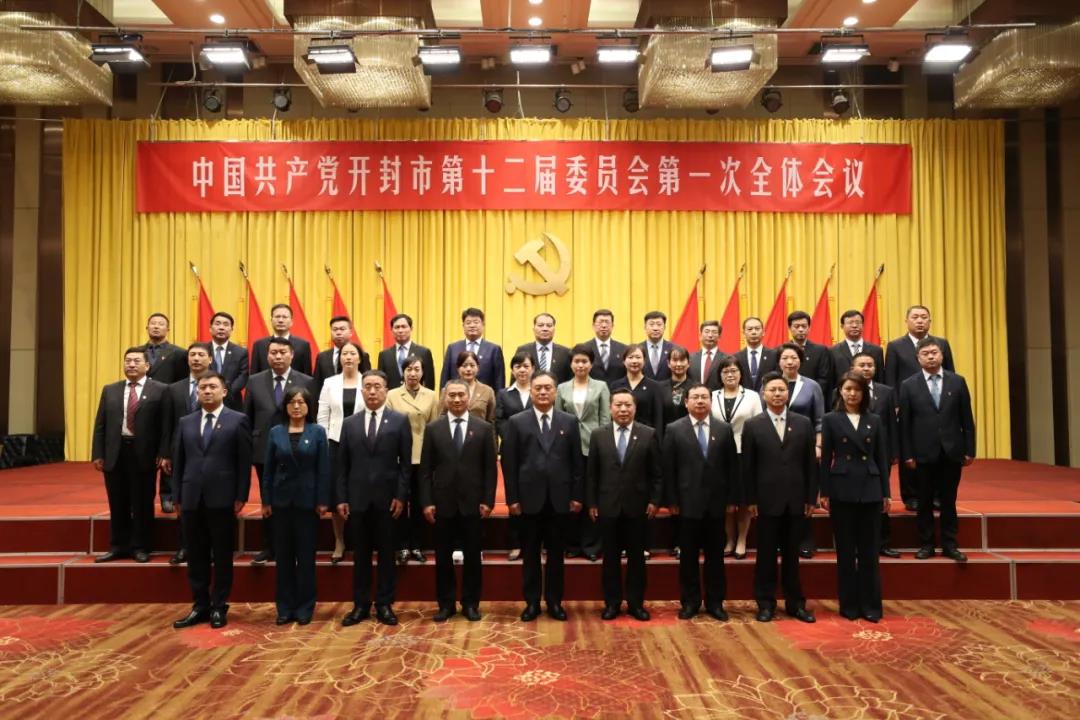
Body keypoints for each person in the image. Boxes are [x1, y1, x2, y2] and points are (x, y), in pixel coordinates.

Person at [171, 371, 253, 630]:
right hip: (191, 497)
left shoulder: (237, 420)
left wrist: (241, 495)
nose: (207, 391)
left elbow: (243, 462)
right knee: (196, 554)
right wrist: (177, 495)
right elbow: (179, 460)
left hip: (223, 497)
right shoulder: (186, 422)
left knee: (222, 554)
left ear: (224, 392)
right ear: (197, 392)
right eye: (203, 387)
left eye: (212, 387)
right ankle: (200, 605)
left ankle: (219, 605)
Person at [501, 371, 584, 622]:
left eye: (548, 388)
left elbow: (577, 463)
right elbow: (509, 463)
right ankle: (532, 602)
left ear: (556, 392)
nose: (543, 392)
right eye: (538, 388)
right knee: (530, 555)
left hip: (560, 499)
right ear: (531, 391)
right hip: (528, 500)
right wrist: (512, 499)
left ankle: (555, 602)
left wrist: (576, 495)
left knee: (556, 555)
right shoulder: (517, 422)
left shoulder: (569, 422)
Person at [338, 371, 413, 627]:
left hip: (388, 500)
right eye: (367, 386)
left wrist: (401, 496)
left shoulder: (399, 421)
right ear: (361, 391)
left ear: (386, 390)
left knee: (386, 555)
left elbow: (405, 465)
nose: (372, 391)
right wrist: (342, 498)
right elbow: (342, 465)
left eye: (377, 387)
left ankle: (384, 604)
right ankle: (360, 605)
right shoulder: (350, 423)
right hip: (357, 500)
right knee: (360, 555)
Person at [742, 371, 817, 624]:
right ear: (763, 394)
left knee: (792, 556)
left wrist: (811, 498)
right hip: (766, 501)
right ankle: (765, 604)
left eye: (781, 390)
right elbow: (748, 467)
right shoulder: (753, 425)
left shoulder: (803, 423)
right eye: (772, 390)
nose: (777, 394)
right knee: (765, 556)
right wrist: (751, 499)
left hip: (796, 500)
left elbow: (810, 464)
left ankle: (796, 604)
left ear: (788, 393)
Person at [419, 379, 498, 622]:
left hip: (473, 503)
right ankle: (446, 604)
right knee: (442, 557)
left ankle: (471, 604)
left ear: (469, 397)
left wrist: (488, 500)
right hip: (442, 503)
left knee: (473, 556)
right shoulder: (433, 428)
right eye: (451, 395)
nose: (456, 399)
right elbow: (425, 469)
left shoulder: (483, 428)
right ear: (444, 398)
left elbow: (490, 469)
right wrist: (427, 501)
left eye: (461, 395)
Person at [820, 373, 890, 622]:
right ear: (840, 391)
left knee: (870, 553)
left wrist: (886, 492)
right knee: (846, 552)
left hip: (870, 488)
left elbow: (882, 458)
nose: (852, 394)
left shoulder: (874, 420)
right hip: (842, 488)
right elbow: (825, 458)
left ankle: (871, 606)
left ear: (864, 393)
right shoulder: (830, 419)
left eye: (857, 389)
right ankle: (849, 605)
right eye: (848, 388)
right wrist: (824, 491)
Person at [587, 388, 663, 621]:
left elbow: (657, 473)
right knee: (610, 558)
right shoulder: (598, 435)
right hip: (607, 506)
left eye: (627, 405)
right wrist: (592, 502)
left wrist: (655, 500)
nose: (623, 409)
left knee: (636, 558)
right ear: (610, 408)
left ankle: (636, 604)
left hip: (637, 507)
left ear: (635, 408)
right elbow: (592, 474)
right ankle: (612, 603)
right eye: (618, 405)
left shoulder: (648, 434)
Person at [665, 383, 739, 621]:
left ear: (711, 401)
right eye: (695, 397)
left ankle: (715, 603)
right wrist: (672, 500)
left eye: (704, 397)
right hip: (687, 504)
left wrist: (732, 499)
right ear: (686, 402)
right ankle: (690, 602)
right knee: (688, 557)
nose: (700, 401)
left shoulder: (724, 429)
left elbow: (731, 467)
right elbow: (669, 469)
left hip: (716, 505)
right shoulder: (674, 429)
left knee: (715, 557)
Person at [899, 337, 975, 563]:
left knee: (949, 499)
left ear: (942, 355)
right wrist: (907, 454)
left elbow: (966, 419)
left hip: (951, 451)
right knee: (924, 500)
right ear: (918, 358)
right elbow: (905, 424)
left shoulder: (957, 381)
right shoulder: (908, 385)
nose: (931, 357)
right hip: (922, 452)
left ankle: (950, 544)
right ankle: (927, 544)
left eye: (934, 352)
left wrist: (970, 449)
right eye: (926, 354)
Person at [91, 346, 170, 563]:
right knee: (117, 501)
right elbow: (100, 424)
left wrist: (164, 453)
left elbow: (165, 426)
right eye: (128, 361)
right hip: (115, 452)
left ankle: (141, 546)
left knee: (142, 502)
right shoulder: (110, 390)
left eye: (136, 361)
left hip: (144, 453)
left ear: (147, 365)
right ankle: (118, 546)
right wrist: (98, 453)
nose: (131, 365)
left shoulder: (160, 390)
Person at [261, 386, 330, 625]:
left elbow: (324, 469)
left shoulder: (318, 432)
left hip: (307, 503)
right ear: (286, 407)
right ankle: (285, 607)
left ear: (309, 406)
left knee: (306, 558)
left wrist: (323, 500)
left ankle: (305, 607)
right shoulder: (276, 432)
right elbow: (268, 470)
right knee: (284, 558)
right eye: (292, 402)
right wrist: (266, 500)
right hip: (281, 503)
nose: (297, 406)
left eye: (301, 402)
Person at [245, 337, 315, 565]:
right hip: (263, 447)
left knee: (293, 498)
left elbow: (311, 417)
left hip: (297, 449)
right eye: (273, 352)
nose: (277, 356)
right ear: (267, 355)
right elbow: (247, 417)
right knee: (268, 499)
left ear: (292, 355)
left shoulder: (306, 381)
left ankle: (293, 546)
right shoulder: (254, 381)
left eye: (282, 352)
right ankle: (269, 547)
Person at [885, 305, 956, 511]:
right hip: (908, 407)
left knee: (938, 450)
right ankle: (911, 495)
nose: (920, 321)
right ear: (906, 321)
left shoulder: (941, 344)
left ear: (930, 321)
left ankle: (937, 495)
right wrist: (894, 405)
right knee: (909, 450)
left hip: (938, 406)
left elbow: (950, 373)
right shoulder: (895, 346)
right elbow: (891, 378)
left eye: (924, 317)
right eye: (915, 317)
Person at [556, 345, 611, 562]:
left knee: (591, 497)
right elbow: (558, 418)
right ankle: (571, 544)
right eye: (577, 361)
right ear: (571, 364)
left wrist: (603, 444)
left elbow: (605, 419)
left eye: (584, 361)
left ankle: (591, 545)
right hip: (568, 448)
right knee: (571, 496)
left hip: (593, 446)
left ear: (591, 364)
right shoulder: (562, 388)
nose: (580, 365)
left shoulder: (601, 386)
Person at [845, 352, 901, 558]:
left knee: (880, 497)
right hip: (851, 454)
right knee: (853, 500)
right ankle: (855, 544)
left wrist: (894, 452)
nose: (867, 368)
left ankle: (882, 543)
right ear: (853, 368)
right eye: (862, 365)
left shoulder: (886, 392)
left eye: (870, 365)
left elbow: (892, 425)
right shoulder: (842, 391)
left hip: (879, 453)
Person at [162, 342, 214, 564]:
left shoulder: (220, 386)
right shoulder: (174, 389)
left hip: (213, 452)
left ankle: (210, 548)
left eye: (201, 355)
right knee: (184, 502)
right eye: (192, 355)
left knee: (211, 502)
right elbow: (166, 424)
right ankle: (185, 547)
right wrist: (166, 453)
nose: (196, 359)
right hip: (183, 453)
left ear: (210, 359)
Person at [386, 354, 440, 564]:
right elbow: (389, 427)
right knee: (400, 502)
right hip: (400, 455)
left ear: (423, 372)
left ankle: (416, 545)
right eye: (409, 369)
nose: (413, 373)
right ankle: (401, 546)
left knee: (419, 503)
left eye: (417, 369)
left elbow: (435, 427)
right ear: (403, 372)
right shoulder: (392, 395)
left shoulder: (432, 395)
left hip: (423, 455)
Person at [316, 341, 365, 564]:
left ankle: (360, 539)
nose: (348, 357)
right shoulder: (330, 382)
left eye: (352, 353)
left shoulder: (368, 381)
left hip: (362, 444)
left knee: (359, 491)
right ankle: (339, 540)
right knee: (338, 493)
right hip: (335, 442)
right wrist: (325, 442)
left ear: (359, 358)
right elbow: (322, 416)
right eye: (345, 354)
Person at [777, 342, 826, 558]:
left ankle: (805, 540)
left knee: (803, 494)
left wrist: (818, 445)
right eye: (785, 358)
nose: (790, 362)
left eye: (794, 358)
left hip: (804, 446)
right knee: (779, 495)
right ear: (779, 362)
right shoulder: (770, 384)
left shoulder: (811, 386)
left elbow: (819, 419)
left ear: (801, 361)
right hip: (776, 447)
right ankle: (781, 542)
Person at [711, 356, 762, 560]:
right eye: (725, 371)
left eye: (734, 371)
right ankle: (729, 540)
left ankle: (741, 540)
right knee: (725, 500)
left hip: (744, 452)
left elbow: (758, 424)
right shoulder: (712, 395)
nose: (730, 375)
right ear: (720, 375)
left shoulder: (752, 396)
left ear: (741, 374)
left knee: (742, 500)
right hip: (718, 453)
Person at [494, 352, 535, 562]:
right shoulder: (503, 394)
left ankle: (533, 544)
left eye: (526, 366)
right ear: (512, 370)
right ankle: (515, 544)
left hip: (536, 449)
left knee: (535, 496)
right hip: (511, 450)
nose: (522, 370)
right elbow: (499, 420)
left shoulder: (539, 390)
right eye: (517, 366)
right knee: (514, 496)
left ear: (533, 369)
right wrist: (513, 437)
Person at [440, 307, 505, 390]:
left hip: (484, 396)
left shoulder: (494, 349)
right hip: (457, 395)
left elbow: (499, 380)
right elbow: (445, 378)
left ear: (483, 324)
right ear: (463, 325)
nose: (472, 325)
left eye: (476, 322)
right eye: (468, 323)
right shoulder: (452, 348)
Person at [610, 345, 664, 434]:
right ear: (624, 361)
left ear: (644, 361)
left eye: (638, 357)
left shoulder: (654, 386)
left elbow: (658, 418)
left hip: (647, 435)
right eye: (630, 357)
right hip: (621, 433)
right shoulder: (615, 385)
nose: (634, 361)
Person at [313, 316, 372, 397]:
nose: (338, 332)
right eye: (335, 329)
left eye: (342, 329)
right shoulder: (322, 357)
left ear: (351, 332)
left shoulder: (362, 355)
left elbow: (367, 380)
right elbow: (316, 385)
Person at [250, 304, 315, 375]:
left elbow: (307, 375)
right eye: (277, 317)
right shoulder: (259, 345)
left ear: (291, 321)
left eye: (284, 317)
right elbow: (254, 376)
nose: (280, 320)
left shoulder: (303, 345)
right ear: (271, 320)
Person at [378, 313, 436, 390]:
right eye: (397, 327)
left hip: (416, 396)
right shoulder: (384, 355)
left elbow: (429, 382)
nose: (400, 330)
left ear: (411, 328)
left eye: (404, 327)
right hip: (392, 396)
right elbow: (381, 381)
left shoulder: (424, 352)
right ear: (391, 330)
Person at [787, 310, 835, 401]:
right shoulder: (782, 351)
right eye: (796, 326)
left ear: (809, 328)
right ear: (789, 328)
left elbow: (824, 379)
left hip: (813, 398)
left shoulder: (821, 351)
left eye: (804, 326)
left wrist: (809, 395)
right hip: (788, 399)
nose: (801, 329)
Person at [439, 351, 496, 423]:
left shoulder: (487, 391)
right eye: (464, 366)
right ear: (458, 368)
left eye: (472, 365)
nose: (468, 369)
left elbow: (491, 420)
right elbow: (441, 416)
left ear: (478, 367)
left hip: (479, 429)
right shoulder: (447, 390)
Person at [207, 311, 248, 411]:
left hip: (232, 402)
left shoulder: (240, 352)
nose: (221, 327)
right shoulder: (202, 350)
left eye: (226, 324)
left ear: (231, 330)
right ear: (210, 328)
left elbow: (243, 376)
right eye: (217, 324)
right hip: (206, 400)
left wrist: (224, 393)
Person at [515, 312, 572, 384]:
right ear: (534, 329)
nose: (545, 329)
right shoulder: (523, 350)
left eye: (549, 325)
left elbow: (570, 380)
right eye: (540, 325)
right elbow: (515, 378)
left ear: (554, 329)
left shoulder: (565, 352)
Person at [830, 310, 884, 386]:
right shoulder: (832, 351)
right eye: (850, 323)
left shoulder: (876, 350)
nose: (854, 326)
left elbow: (880, 378)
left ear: (863, 325)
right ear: (842, 326)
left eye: (858, 322)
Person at [585, 309, 627, 387]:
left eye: (607, 322)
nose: (604, 325)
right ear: (593, 325)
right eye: (600, 322)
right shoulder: (584, 349)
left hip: (617, 392)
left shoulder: (624, 349)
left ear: (612, 326)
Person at [734, 317, 778, 391]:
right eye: (750, 329)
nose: (754, 332)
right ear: (743, 333)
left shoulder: (774, 355)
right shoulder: (736, 357)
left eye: (757, 329)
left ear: (763, 332)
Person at [143, 313, 188, 385]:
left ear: (168, 329)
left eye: (161, 324)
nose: (156, 326)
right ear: (147, 328)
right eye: (153, 323)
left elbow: (182, 381)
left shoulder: (179, 353)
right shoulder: (138, 351)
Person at [640, 310, 680, 381]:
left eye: (659, 324)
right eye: (651, 324)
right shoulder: (638, 349)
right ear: (645, 327)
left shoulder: (674, 349)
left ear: (664, 327)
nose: (655, 328)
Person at [688, 320, 725, 391]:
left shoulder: (725, 359)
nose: (710, 335)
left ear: (719, 337)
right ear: (700, 335)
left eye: (714, 332)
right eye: (707, 332)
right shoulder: (690, 358)